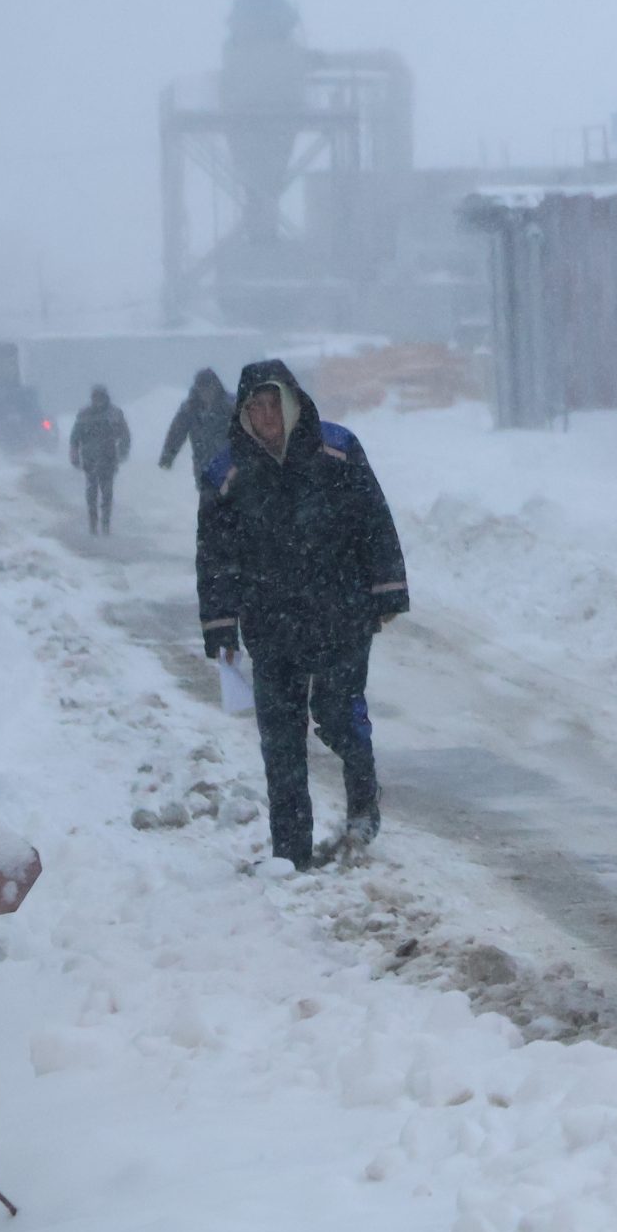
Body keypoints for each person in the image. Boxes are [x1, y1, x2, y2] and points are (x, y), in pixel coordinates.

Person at [196, 360, 408, 869]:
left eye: (275, 405)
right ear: (243, 414)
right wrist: (220, 625)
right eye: (256, 408)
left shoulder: (337, 450)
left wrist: (386, 590)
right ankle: (290, 853)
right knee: (281, 740)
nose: (267, 417)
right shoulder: (226, 474)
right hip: (270, 625)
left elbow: (374, 520)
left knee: (337, 714)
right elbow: (215, 557)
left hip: (343, 611)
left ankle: (362, 802)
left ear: (292, 403)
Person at [67, 385, 132, 535]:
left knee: (107, 493)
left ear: (105, 397)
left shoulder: (114, 414)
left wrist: (122, 452)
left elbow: (125, 435)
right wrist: (74, 454)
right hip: (89, 459)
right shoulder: (84, 415)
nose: (98, 401)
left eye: (100, 397)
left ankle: (105, 523)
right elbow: (75, 437)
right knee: (91, 492)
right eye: (95, 398)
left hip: (108, 458)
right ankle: (93, 522)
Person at [158, 368, 234, 491]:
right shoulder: (190, 409)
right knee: (209, 503)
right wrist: (168, 456)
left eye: (209, 387)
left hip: (229, 466)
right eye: (202, 389)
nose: (206, 393)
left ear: (216, 386)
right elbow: (177, 433)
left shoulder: (230, 406)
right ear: (197, 389)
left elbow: (245, 430)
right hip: (203, 467)